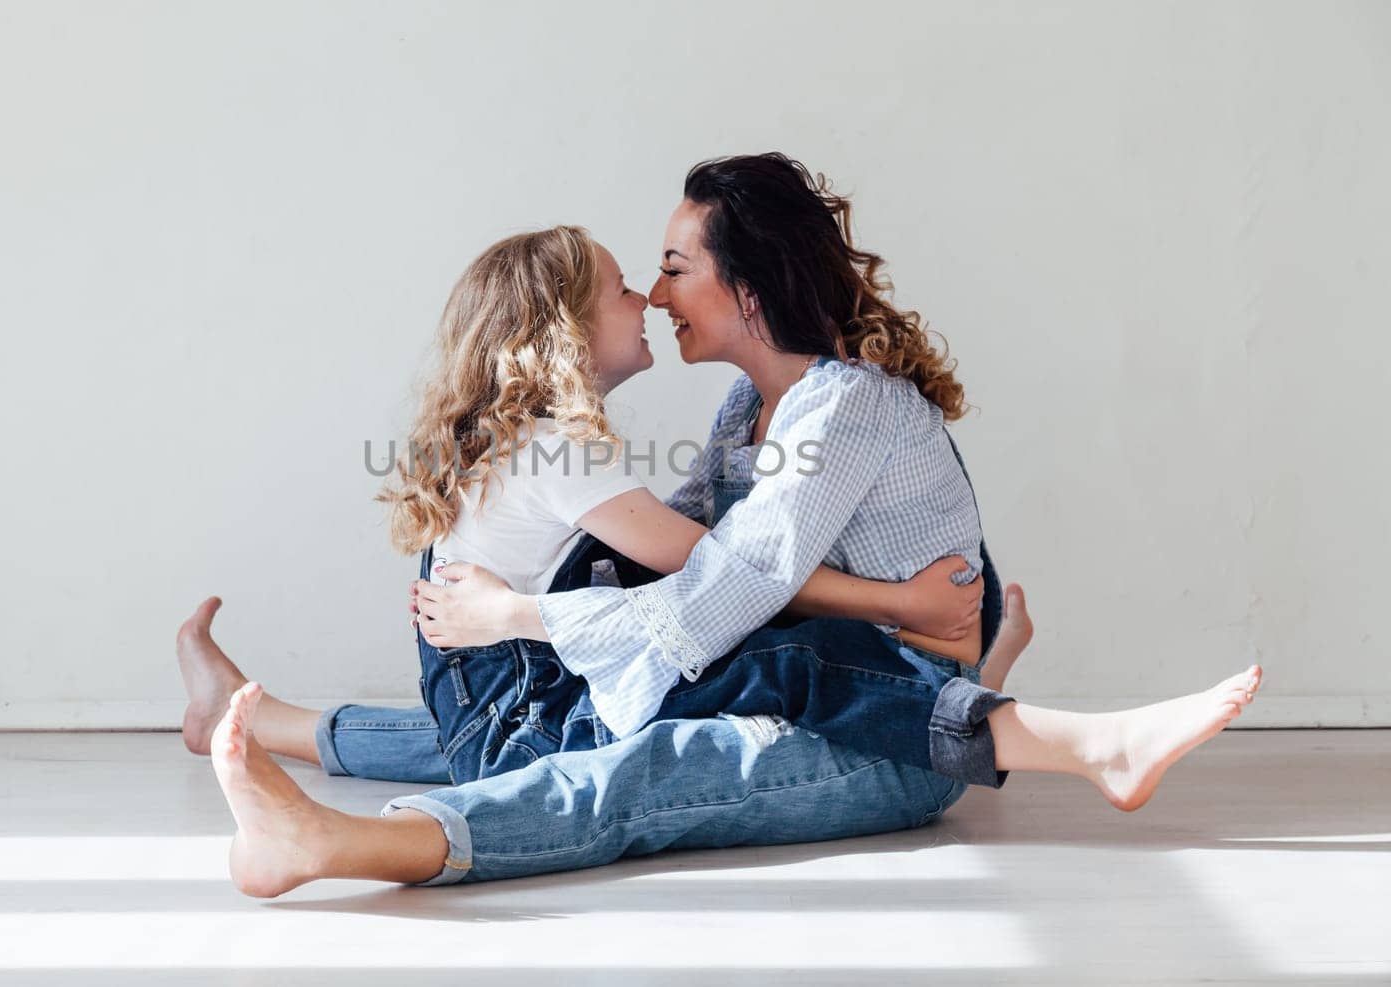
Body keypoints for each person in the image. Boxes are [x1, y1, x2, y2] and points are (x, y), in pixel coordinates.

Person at [177, 154, 1262, 896]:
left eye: (675, 267)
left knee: (631, 762)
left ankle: (356, 840)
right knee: (575, 703)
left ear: (746, 287)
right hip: (862, 690)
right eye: (640, 276)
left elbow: (726, 585)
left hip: (880, 740)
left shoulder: (842, 404)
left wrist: (524, 610)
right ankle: (268, 722)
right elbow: (691, 545)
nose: (653, 293)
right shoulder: (752, 407)